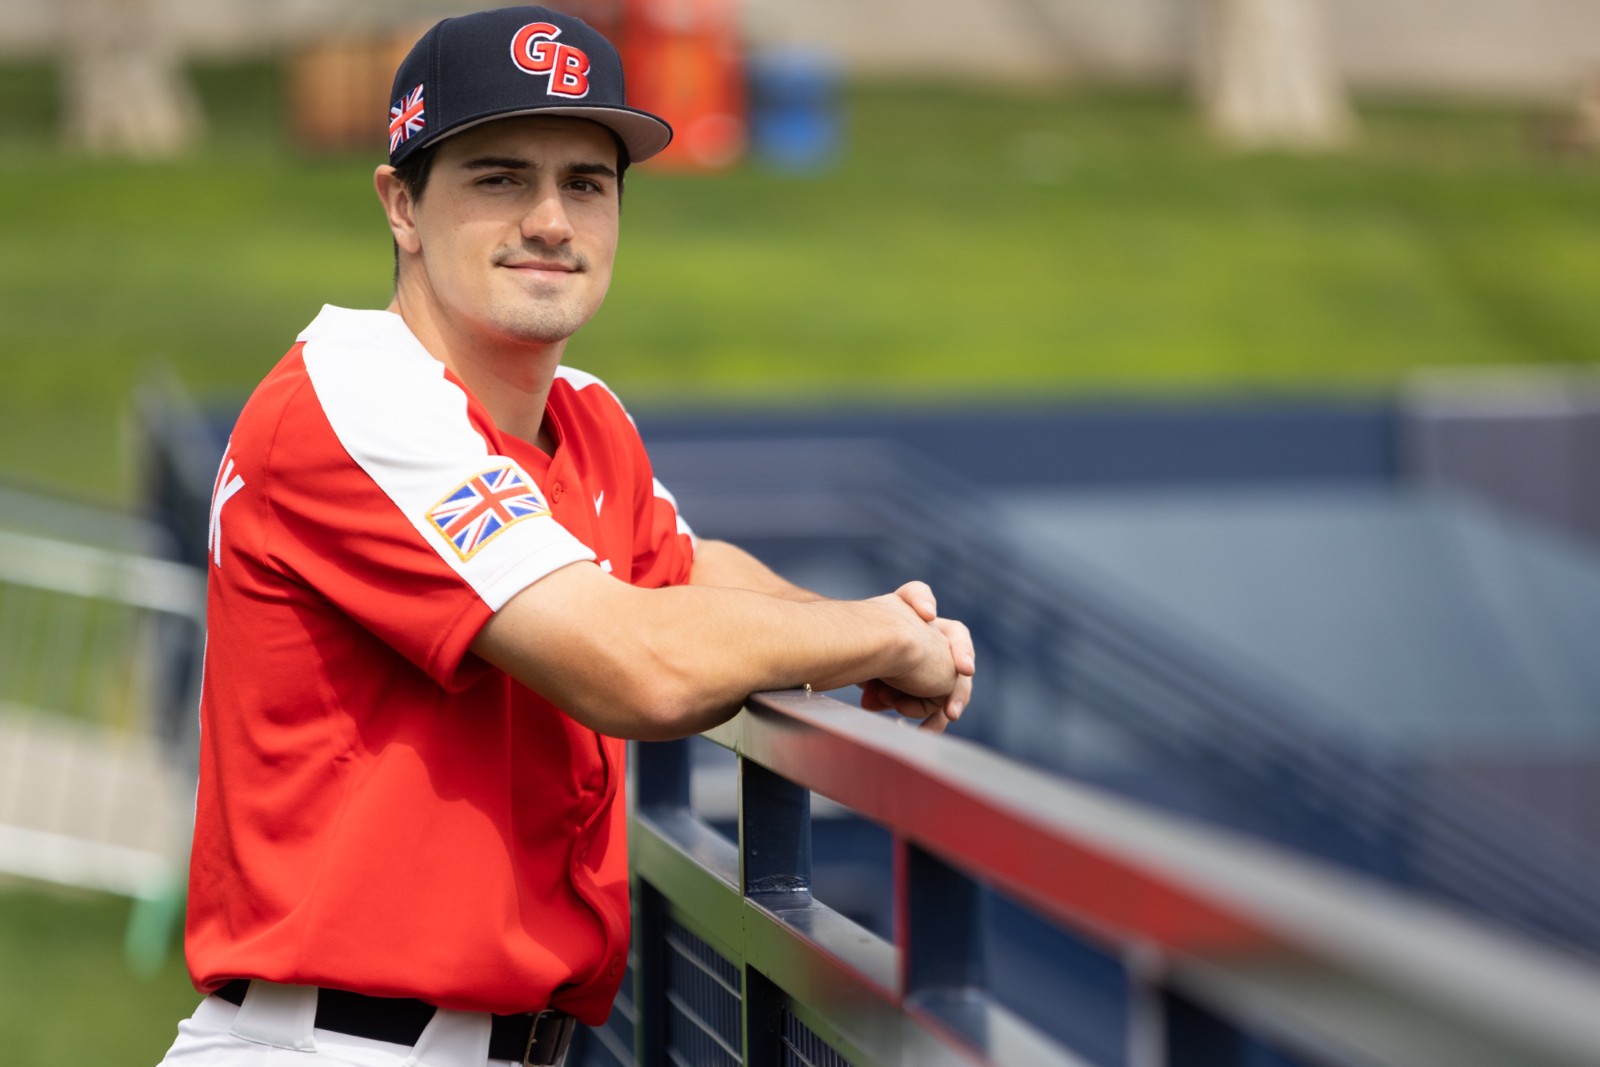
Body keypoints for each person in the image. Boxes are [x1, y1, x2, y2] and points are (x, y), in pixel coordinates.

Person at [157, 7, 973, 1067]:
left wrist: (881, 629)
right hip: (328, 1042)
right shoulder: (353, 393)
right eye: (500, 178)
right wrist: (880, 637)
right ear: (401, 204)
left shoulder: (585, 416)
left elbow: (688, 578)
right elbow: (638, 666)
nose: (549, 219)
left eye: (585, 183)